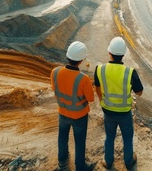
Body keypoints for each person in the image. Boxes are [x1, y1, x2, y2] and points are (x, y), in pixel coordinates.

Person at [95, 36, 144, 170]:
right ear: (123, 55)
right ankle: (128, 162)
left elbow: (97, 88)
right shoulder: (130, 72)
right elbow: (139, 92)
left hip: (108, 111)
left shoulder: (100, 69)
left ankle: (108, 161)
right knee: (127, 137)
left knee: (109, 136)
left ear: (109, 52)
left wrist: (102, 100)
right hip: (124, 113)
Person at [51, 41, 95, 171]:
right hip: (79, 116)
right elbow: (91, 98)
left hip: (62, 112)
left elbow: (55, 88)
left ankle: (62, 162)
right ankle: (80, 167)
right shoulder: (83, 78)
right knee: (79, 141)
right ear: (81, 61)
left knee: (62, 136)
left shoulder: (55, 72)